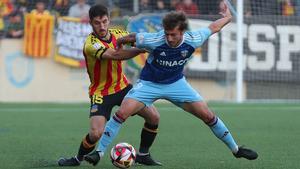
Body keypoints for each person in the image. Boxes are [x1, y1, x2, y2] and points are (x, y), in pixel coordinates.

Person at [84, 1, 258, 166]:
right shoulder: (154, 39)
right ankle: (98, 153)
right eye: (166, 33)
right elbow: (131, 37)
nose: (168, 38)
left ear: (182, 32)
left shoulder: (194, 38)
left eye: (173, 34)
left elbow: (214, 27)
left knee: (208, 116)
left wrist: (228, 17)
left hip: (176, 84)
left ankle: (236, 149)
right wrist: (121, 43)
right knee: (122, 113)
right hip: (148, 84)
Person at [57, 4, 161, 167]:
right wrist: (141, 50)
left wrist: (147, 42)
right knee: (96, 133)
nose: (102, 26)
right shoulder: (91, 44)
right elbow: (116, 55)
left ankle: (143, 154)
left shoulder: (118, 34)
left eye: (105, 21)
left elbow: (136, 39)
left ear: (109, 20)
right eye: (97, 23)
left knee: (154, 117)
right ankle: (77, 159)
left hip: (123, 87)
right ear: (91, 23)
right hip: (101, 93)